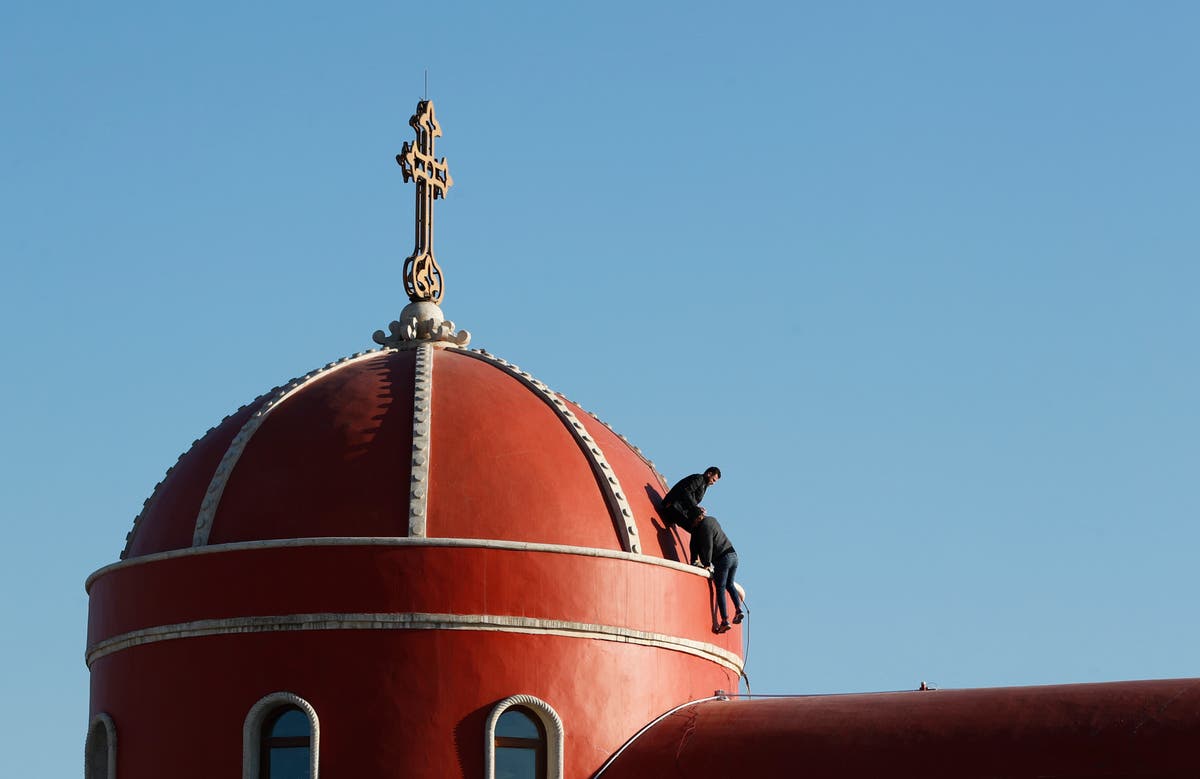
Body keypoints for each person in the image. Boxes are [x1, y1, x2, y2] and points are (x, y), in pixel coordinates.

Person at [689, 512, 744, 634]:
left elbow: (708, 545)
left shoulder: (704, 526)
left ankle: (724, 620)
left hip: (722, 559)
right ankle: (738, 609)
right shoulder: (712, 520)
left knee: (720, 588)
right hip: (733, 556)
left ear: (697, 519)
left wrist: (707, 564)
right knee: (730, 584)